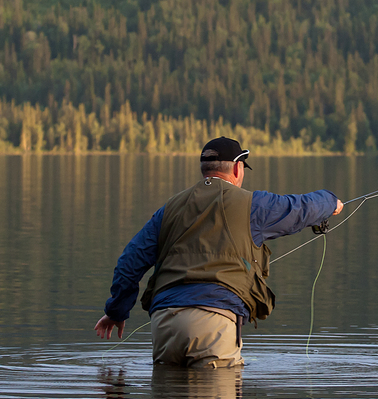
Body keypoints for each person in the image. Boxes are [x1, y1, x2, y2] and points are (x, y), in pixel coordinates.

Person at [94, 136, 342, 367]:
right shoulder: (253, 205)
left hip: (164, 322)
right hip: (215, 321)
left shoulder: (168, 210)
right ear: (237, 169)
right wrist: (331, 203)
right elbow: (300, 208)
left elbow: (129, 262)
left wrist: (116, 311)